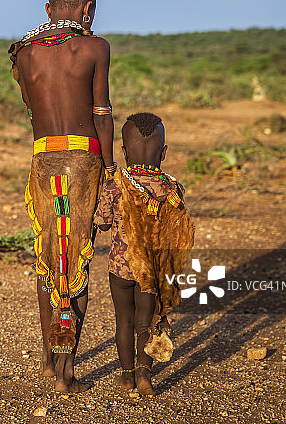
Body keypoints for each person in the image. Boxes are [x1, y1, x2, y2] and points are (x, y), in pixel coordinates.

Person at [10, 0, 115, 393]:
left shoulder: (22, 53)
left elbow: (34, 113)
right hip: (84, 161)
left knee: (48, 255)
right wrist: (109, 172)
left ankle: (48, 361)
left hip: (43, 161)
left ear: (48, 9)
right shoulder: (94, 48)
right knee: (78, 261)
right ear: (88, 9)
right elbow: (101, 114)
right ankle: (67, 371)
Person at [96, 112, 195, 396]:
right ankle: (144, 375)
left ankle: (126, 376)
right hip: (152, 270)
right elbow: (179, 229)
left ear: (124, 152)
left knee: (123, 321)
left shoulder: (115, 185)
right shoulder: (172, 188)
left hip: (120, 267)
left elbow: (102, 224)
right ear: (163, 153)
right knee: (146, 322)